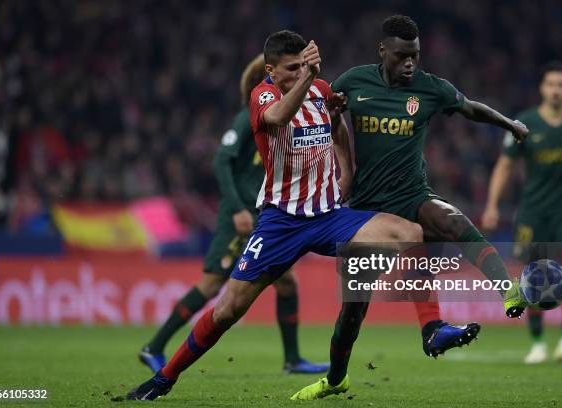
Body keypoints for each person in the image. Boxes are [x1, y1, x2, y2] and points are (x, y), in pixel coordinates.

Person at [126, 30, 424, 401]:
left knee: (410, 232)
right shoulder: (263, 96)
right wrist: (306, 78)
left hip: (329, 215)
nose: (302, 72)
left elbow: (335, 127)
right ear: (271, 70)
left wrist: (346, 168)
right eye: (292, 68)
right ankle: (163, 380)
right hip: (281, 222)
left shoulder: (320, 89)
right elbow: (280, 117)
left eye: (304, 65)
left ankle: (424, 327)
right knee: (227, 310)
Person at [292, 15, 530, 400]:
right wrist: (331, 121)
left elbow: (471, 108)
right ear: (382, 51)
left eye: (415, 56)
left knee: (451, 221)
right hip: (367, 214)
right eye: (403, 56)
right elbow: (322, 114)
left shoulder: (429, 88)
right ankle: (335, 379)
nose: (410, 63)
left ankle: (506, 290)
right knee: (352, 312)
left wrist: (511, 125)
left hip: (412, 196)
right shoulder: (354, 82)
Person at [138, 54, 329, 375]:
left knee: (287, 284)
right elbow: (220, 160)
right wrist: (238, 208)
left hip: (261, 215)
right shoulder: (247, 117)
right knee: (212, 285)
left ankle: (293, 359)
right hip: (238, 216)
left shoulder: (285, 117)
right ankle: (153, 347)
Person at [482, 61, 562, 364]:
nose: (556, 90)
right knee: (535, 276)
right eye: (551, 84)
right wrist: (491, 204)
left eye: (561, 85)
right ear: (542, 88)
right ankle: (538, 343)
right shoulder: (526, 122)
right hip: (534, 211)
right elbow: (505, 164)